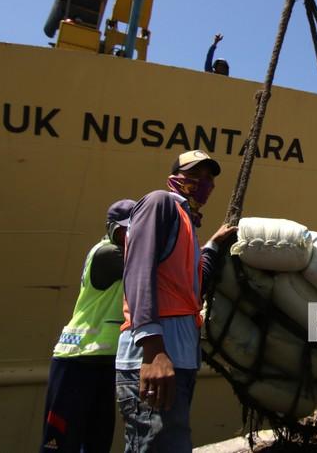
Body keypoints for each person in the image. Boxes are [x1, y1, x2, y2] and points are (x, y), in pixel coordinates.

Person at [115, 150, 237, 453]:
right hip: (156, 360)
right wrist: (153, 350)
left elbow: (189, 290)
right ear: (176, 178)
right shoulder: (160, 203)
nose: (203, 183)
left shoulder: (187, 223)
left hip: (177, 362)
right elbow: (138, 271)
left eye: (209, 177)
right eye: (195, 175)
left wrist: (211, 247)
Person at [41, 198, 137, 453]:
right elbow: (161, 267)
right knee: (60, 444)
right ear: (111, 229)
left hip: (105, 362)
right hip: (77, 360)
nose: (131, 235)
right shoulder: (109, 254)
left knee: (97, 442)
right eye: (126, 230)